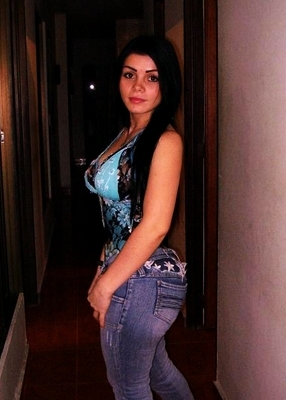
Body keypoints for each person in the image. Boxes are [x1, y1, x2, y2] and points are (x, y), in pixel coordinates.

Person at [85, 35, 194, 400]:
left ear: (167, 84)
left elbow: (156, 225)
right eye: (130, 74)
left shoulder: (165, 141)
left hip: (141, 278)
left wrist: (106, 286)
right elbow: (115, 217)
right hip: (128, 270)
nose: (138, 86)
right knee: (159, 374)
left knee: (129, 387)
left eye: (152, 77)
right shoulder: (126, 133)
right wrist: (102, 267)